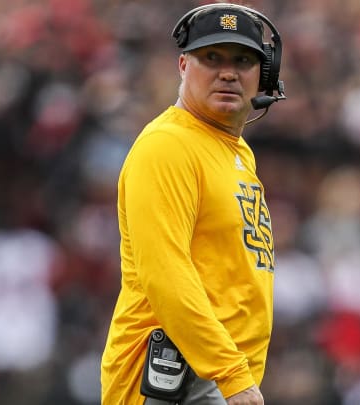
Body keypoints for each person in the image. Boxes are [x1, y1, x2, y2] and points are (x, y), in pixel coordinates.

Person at [101, 3, 286, 404]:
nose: (227, 72)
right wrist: (231, 374)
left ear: (265, 75)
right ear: (183, 67)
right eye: (211, 58)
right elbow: (165, 272)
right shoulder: (168, 145)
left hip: (212, 375)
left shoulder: (234, 152)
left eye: (243, 60)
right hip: (175, 378)